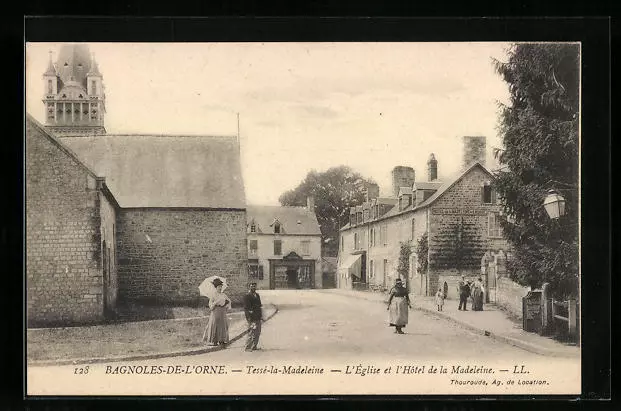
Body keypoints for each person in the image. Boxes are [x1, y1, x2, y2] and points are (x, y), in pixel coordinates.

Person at [204, 278, 231, 346]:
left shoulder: (223, 295)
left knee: (223, 325)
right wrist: (216, 302)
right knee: (215, 324)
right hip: (216, 311)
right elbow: (210, 305)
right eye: (219, 287)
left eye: (221, 287)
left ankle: (222, 340)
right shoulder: (213, 295)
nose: (220, 288)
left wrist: (226, 304)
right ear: (216, 287)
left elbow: (229, 301)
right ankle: (214, 340)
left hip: (222, 311)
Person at [243, 281, 263, 352]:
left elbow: (260, 306)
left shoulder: (257, 295)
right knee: (251, 332)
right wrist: (249, 318)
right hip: (251, 317)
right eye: (252, 286)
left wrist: (261, 316)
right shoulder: (247, 296)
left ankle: (254, 346)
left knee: (257, 332)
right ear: (249, 287)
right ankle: (248, 347)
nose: (253, 287)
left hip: (258, 317)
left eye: (254, 286)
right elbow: (247, 308)